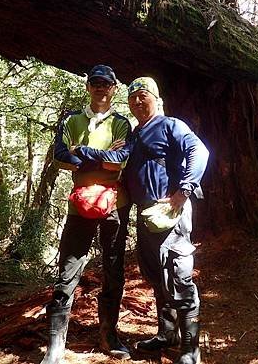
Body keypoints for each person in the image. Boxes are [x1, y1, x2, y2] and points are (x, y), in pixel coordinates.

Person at [74, 77, 209, 364]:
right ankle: (167, 333)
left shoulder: (172, 125)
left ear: (156, 99)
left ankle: (190, 349)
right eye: (132, 97)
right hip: (145, 213)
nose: (136, 101)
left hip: (170, 210)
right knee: (155, 272)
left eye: (143, 95)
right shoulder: (135, 133)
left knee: (178, 273)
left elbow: (199, 151)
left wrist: (183, 191)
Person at [40, 64, 132, 364]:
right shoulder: (71, 120)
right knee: (68, 268)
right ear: (88, 86)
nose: (100, 87)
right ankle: (55, 346)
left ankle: (109, 334)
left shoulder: (121, 124)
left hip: (113, 204)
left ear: (114, 88)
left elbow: (119, 161)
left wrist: (85, 154)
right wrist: (98, 159)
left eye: (106, 83)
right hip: (79, 204)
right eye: (95, 83)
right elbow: (60, 157)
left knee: (114, 268)